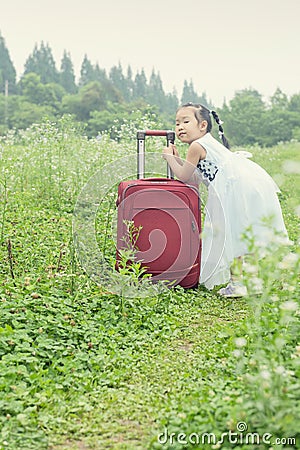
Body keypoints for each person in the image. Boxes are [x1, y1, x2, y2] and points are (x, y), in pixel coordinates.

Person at [162, 102, 289, 297]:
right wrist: (179, 160)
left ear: (202, 125)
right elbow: (197, 178)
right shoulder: (207, 142)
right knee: (243, 231)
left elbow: (184, 177)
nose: (179, 127)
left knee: (232, 233)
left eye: (185, 121)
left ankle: (237, 283)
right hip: (246, 182)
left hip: (233, 188)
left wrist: (169, 158)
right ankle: (252, 282)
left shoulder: (196, 146)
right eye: (177, 123)